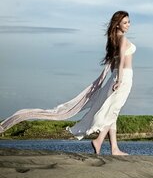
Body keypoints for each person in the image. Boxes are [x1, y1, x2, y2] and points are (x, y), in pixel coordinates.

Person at [0, 11, 135, 156]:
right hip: (122, 78)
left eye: (128, 22)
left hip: (115, 77)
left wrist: (114, 79)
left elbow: (115, 64)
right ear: (117, 24)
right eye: (125, 22)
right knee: (112, 111)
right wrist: (120, 80)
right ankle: (99, 141)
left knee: (112, 112)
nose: (128, 25)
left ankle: (114, 148)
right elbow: (120, 61)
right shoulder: (121, 39)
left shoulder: (113, 39)